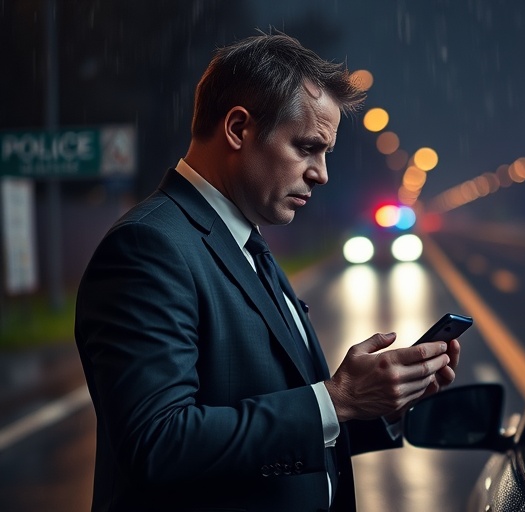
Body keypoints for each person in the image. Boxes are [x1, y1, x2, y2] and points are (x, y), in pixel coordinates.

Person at [74, 32, 460, 512]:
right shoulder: (147, 247)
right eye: (306, 147)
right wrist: (336, 400)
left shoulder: (245, 240)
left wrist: (375, 402)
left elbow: (275, 422)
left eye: (326, 153)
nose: (321, 173)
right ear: (239, 129)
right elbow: (159, 442)